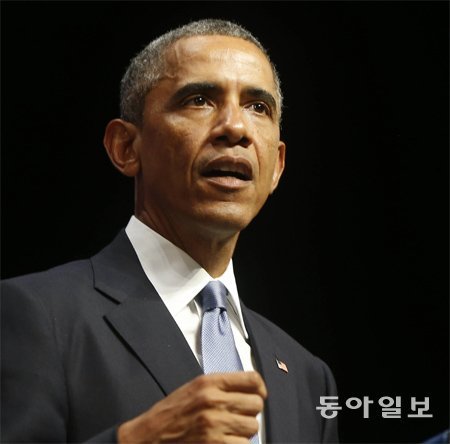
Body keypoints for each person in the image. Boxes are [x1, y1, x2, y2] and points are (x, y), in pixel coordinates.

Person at [1, 19, 339, 443]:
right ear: (126, 147)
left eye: (258, 107)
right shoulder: (34, 316)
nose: (236, 129)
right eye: (199, 100)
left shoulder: (308, 377)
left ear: (277, 167)